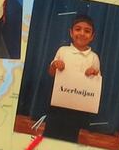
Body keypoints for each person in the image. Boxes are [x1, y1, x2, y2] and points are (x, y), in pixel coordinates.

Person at [42, 14, 99, 142]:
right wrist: (55, 65)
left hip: (78, 106)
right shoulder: (63, 50)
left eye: (87, 31)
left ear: (92, 36)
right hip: (58, 101)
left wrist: (92, 73)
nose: (82, 33)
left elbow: (96, 81)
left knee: (70, 135)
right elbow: (51, 73)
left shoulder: (94, 57)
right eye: (78, 29)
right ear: (71, 33)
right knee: (50, 131)